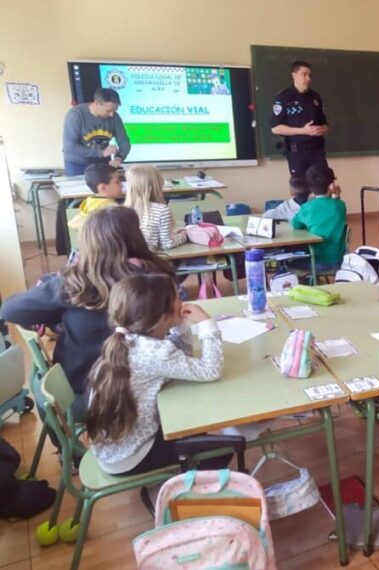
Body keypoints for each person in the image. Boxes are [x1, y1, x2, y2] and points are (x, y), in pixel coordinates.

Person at [0, 208, 176, 421]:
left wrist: (57, 320)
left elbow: (9, 309)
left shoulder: (74, 284)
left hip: (87, 391)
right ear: (135, 238)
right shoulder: (156, 278)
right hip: (153, 385)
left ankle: (66, 449)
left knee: (38, 381)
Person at [86, 273, 229, 476]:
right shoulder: (154, 353)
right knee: (222, 450)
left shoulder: (126, 339)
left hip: (114, 449)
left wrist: (179, 324)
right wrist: (207, 324)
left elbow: (182, 358)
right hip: (132, 456)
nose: (182, 300)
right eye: (177, 296)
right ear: (162, 318)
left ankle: (181, 474)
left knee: (194, 422)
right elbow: (211, 370)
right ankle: (181, 492)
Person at [270, 61, 329, 177]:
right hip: (297, 152)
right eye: (304, 74)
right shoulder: (283, 97)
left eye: (309, 75)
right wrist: (303, 131)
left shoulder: (315, 97)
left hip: (317, 151)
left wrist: (322, 129)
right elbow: (275, 128)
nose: (308, 78)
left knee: (324, 184)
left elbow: (326, 125)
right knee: (299, 188)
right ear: (294, 75)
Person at [290, 165, 347, 272]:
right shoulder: (340, 205)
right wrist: (337, 196)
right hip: (339, 261)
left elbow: (295, 224)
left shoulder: (307, 207)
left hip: (315, 261)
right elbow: (336, 207)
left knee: (288, 262)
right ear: (331, 186)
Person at [62, 88, 131, 176]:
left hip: (102, 162)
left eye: (114, 111)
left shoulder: (114, 117)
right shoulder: (76, 115)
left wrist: (119, 157)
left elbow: (124, 141)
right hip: (77, 163)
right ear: (97, 104)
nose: (112, 115)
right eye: (108, 111)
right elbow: (69, 146)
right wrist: (100, 153)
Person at [124, 165, 188, 251]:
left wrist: (173, 234)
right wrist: (184, 236)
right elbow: (167, 244)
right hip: (148, 260)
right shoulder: (162, 210)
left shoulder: (123, 210)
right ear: (157, 187)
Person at [67, 163, 121, 231]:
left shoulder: (89, 201)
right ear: (103, 188)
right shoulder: (112, 209)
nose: (121, 184)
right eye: (117, 182)